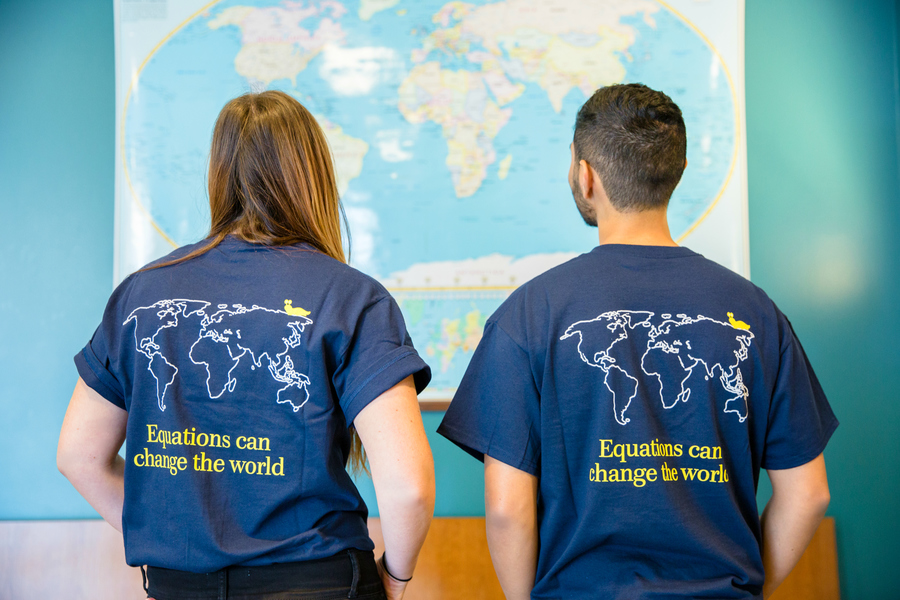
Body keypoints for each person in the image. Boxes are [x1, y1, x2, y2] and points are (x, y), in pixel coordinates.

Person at [437, 83, 837, 600]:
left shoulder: (528, 314)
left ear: (585, 176)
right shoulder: (756, 315)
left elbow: (507, 510)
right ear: (676, 172)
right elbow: (807, 495)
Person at [57, 90, 435, 600]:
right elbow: (408, 488)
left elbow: (79, 457)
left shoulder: (142, 296)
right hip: (318, 582)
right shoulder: (352, 296)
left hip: (179, 587)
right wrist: (397, 577)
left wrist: (174, 538)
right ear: (315, 176)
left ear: (218, 174)